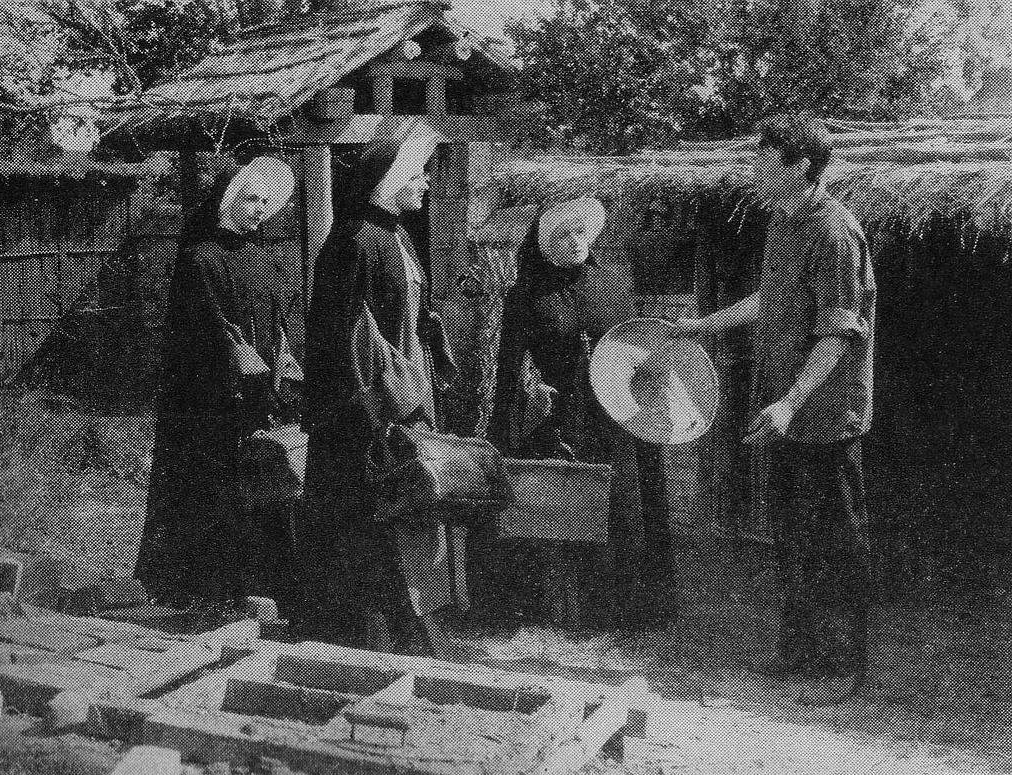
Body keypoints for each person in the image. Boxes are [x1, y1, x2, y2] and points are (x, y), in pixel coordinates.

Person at [673, 113, 877, 688]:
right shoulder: (783, 221)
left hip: (827, 413)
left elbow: (837, 333)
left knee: (834, 536)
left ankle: (845, 663)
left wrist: (791, 402)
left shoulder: (833, 231)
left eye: (766, 163)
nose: (755, 173)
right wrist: (700, 327)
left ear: (801, 167)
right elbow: (771, 299)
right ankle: (802, 653)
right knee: (791, 534)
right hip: (784, 410)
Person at [481, 196, 679, 631]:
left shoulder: (610, 280)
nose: (575, 242)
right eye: (563, 235)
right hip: (564, 417)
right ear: (545, 243)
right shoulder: (526, 295)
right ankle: (577, 614)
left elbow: (637, 343)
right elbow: (509, 369)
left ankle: (635, 611)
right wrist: (508, 422)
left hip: (619, 408)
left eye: (581, 233)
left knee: (626, 506)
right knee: (570, 511)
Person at [301, 117, 454, 651]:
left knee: (405, 510)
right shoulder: (352, 243)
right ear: (386, 180)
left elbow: (408, 314)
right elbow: (339, 335)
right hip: (366, 410)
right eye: (415, 175)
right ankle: (370, 636)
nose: (425, 183)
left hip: (406, 393)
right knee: (365, 518)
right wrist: (370, 408)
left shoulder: (398, 236)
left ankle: (408, 626)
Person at [136, 156, 296, 612]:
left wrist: (282, 363)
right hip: (210, 400)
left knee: (262, 482)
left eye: (268, 203)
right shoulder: (200, 259)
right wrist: (239, 365)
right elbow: (205, 331)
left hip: (260, 393)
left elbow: (279, 323)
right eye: (252, 200)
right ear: (229, 199)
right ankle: (202, 586)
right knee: (210, 488)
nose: (260, 211)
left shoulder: (265, 258)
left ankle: (258, 585)